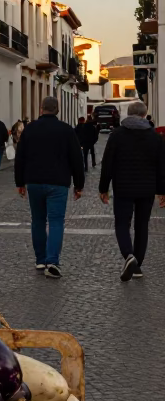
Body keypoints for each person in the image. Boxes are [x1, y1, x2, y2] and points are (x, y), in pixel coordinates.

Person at [14, 94, 85, 278]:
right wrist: (79, 185)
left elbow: (20, 157)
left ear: (41, 109)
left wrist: (19, 182)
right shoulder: (67, 130)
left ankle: (40, 259)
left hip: (34, 182)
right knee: (55, 222)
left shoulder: (30, 130)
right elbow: (77, 159)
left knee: (37, 220)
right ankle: (52, 261)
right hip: (58, 183)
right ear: (57, 110)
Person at [98, 99, 165, 280]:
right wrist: (162, 190)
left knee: (122, 223)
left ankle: (129, 256)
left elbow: (108, 164)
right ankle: (137, 265)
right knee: (142, 226)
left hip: (123, 188)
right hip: (147, 189)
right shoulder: (155, 137)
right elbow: (161, 166)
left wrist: (103, 188)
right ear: (145, 114)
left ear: (128, 113)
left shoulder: (117, 135)